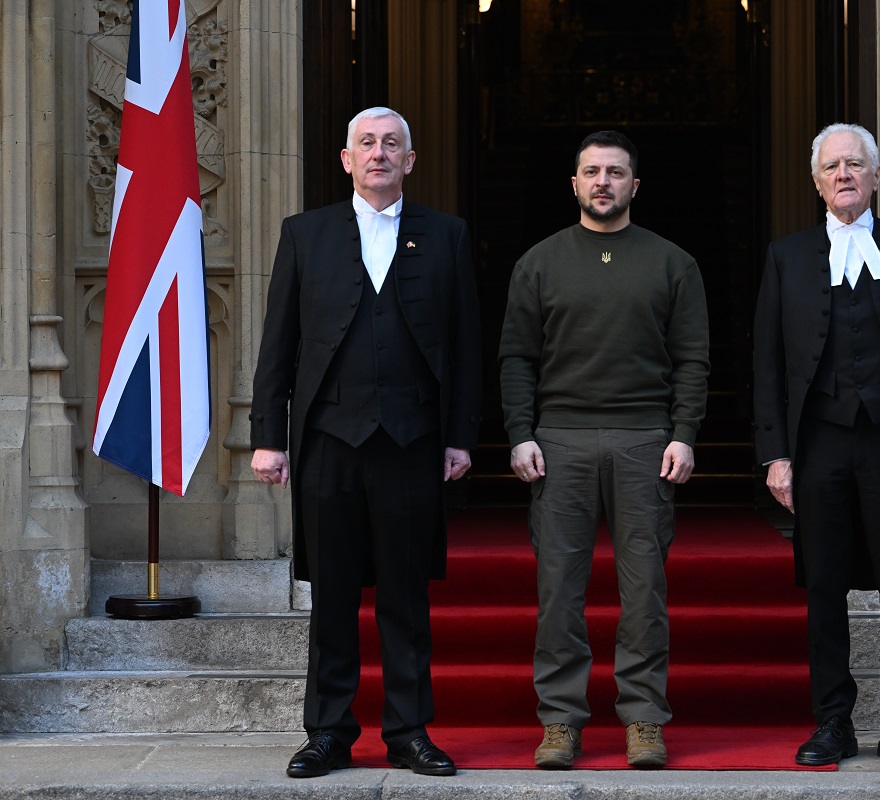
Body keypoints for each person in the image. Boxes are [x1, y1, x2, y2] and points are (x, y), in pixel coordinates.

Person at [250, 107, 481, 779]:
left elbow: (466, 346)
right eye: (366, 144)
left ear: (410, 160)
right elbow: (277, 348)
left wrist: (461, 436)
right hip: (327, 442)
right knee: (333, 598)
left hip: (412, 442)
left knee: (407, 598)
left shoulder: (448, 236)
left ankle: (409, 732)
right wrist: (269, 438)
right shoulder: (305, 234)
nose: (379, 154)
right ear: (347, 159)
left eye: (392, 145)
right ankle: (327, 732)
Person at [498, 130, 709, 770]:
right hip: (558, 441)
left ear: (634, 185)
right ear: (574, 183)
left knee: (644, 590)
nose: (602, 183)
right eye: (591, 172)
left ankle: (644, 719)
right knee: (559, 589)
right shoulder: (539, 262)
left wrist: (684, 433)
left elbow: (692, 359)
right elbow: (517, 357)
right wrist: (520, 432)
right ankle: (560, 721)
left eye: (615, 173)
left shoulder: (673, 263)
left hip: (646, 439)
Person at [752, 123, 880, 772]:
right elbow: (767, 365)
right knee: (824, 588)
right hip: (817, 449)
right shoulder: (786, 257)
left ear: (876, 176)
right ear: (816, 181)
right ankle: (833, 723)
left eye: (855, 164)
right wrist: (775, 455)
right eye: (832, 166)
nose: (844, 174)